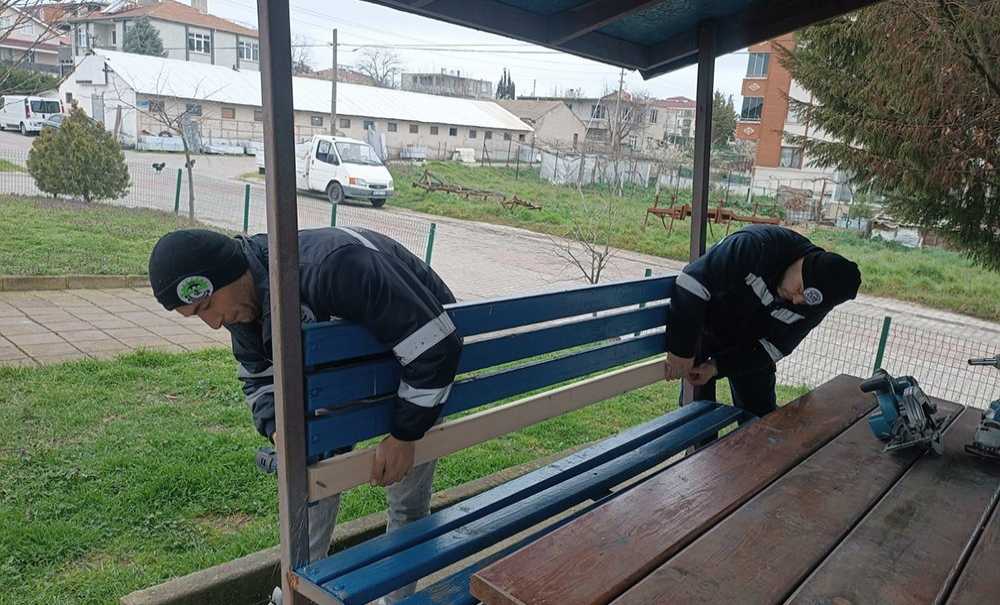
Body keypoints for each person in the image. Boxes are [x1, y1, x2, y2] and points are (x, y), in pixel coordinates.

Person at [148, 227, 462, 605]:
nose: (214, 323)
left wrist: (405, 435)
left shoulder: (333, 266)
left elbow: (435, 346)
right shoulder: (241, 305)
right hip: (350, 374)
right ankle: (300, 595)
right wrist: (278, 429)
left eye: (206, 307)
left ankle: (396, 600)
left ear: (227, 273)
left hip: (420, 373)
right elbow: (258, 378)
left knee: (407, 504)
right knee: (310, 464)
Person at [666, 224, 861, 418]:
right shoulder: (755, 245)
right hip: (706, 328)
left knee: (761, 418)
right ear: (802, 263)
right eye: (800, 288)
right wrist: (681, 349)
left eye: (805, 301)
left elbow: (774, 348)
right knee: (699, 413)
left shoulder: (813, 306)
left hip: (749, 346)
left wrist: (717, 367)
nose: (796, 300)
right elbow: (691, 283)